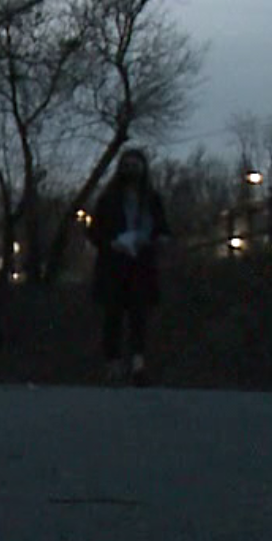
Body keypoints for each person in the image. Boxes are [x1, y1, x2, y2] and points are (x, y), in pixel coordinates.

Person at [86, 147, 171, 386]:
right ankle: (113, 365)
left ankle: (137, 365)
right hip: (114, 264)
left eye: (136, 166)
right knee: (112, 316)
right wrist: (112, 244)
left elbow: (163, 228)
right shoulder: (109, 199)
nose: (132, 171)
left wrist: (159, 240)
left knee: (139, 316)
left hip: (141, 264)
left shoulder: (152, 199)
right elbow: (94, 232)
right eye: (128, 166)